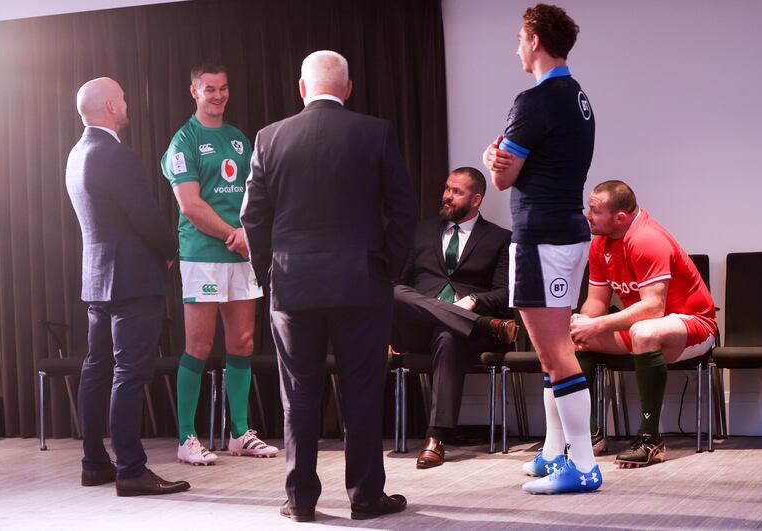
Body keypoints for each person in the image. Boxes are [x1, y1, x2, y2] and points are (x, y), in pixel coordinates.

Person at [241, 50, 417, 522]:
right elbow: (404, 208)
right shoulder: (375, 132)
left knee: (298, 393)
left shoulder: (269, 137)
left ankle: (300, 501)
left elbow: (252, 216)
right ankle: (365, 497)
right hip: (361, 282)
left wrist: (271, 272)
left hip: (293, 286)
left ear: (302, 88)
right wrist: (387, 268)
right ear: (348, 88)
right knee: (362, 391)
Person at [482, 4, 600, 494]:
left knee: (554, 352)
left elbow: (504, 177)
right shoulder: (577, 97)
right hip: (566, 231)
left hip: (541, 235)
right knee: (554, 353)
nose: (516, 46)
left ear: (534, 40)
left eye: (518, 37)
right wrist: (500, 154)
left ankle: (583, 464)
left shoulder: (533, 101)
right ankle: (555, 451)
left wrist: (493, 159)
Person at [66, 77, 190, 497]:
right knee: (130, 373)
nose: (127, 102)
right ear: (109, 108)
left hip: (98, 280)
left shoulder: (76, 153)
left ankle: (94, 463)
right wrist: (171, 249)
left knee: (96, 369)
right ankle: (132, 470)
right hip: (133, 280)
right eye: (122, 98)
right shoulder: (114, 153)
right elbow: (144, 214)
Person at [161, 63, 276, 466]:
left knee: (242, 344)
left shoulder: (240, 140)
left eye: (223, 88)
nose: (218, 96)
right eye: (210, 89)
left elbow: (255, 195)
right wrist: (235, 234)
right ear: (194, 91)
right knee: (199, 345)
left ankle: (240, 433)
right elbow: (191, 206)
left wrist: (249, 234)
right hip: (204, 256)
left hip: (242, 255)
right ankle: (186, 438)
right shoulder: (183, 141)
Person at [571, 180, 717, 468]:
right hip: (645, 328)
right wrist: (584, 321)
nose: (587, 215)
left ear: (620, 218)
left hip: (694, 325)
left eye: (594, 210)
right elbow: (597, 302)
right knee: (575, 336)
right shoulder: (600, 242)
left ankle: (651, 439)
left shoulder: (646, 239)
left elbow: (653, 307)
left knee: (643, 330)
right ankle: (589, 434)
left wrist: (597, 325)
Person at [391, 166, 517, 469]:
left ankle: (435, 437)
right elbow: (400, 283)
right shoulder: (420, 231)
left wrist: (474, 300)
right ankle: (488, 325)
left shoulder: (500, 239)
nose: (447, 196)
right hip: (419, 329)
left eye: (456, 191)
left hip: (464, 335)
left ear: (476, 199)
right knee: (387, 289)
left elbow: (506, 293)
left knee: (448, 334)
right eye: (447, 188)